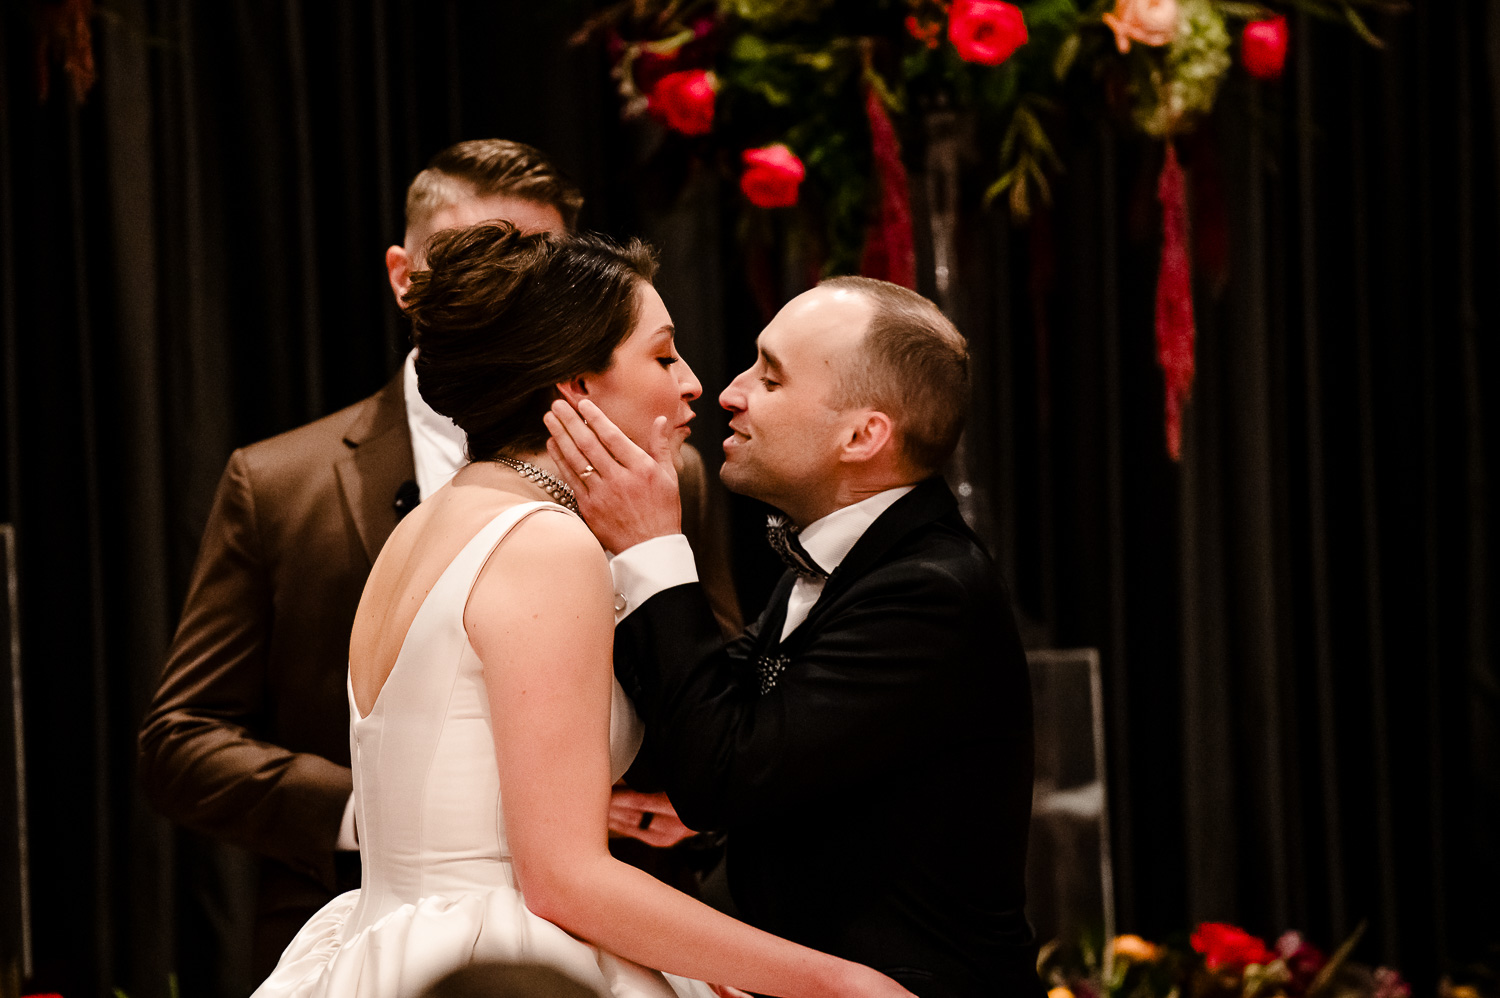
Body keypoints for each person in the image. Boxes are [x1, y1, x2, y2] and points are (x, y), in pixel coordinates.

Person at [252, 222, 913, 998]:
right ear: (575, 383)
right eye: (664, 355)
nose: (696, 382)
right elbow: (565, 880)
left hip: (382, 938)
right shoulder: (541, 543)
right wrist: (830, 981)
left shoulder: (428, 524)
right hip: (497, 955)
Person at [137, 139, 738, 980]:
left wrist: (677, 802)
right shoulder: (281, 482)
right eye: (488, 263)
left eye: (543, 264)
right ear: (407, 275)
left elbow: (705, 691)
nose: (514, 287)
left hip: (578, 914)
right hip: (440, 919)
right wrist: (400, 815)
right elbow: (181, 738)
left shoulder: (652, 482)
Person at [544, 277, 1044, 998]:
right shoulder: (842, 562)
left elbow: (722, 768)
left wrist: (653, 546)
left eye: (769, 377)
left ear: (863, 436)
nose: (729, 392)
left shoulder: (930, 591)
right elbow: (724, 733)